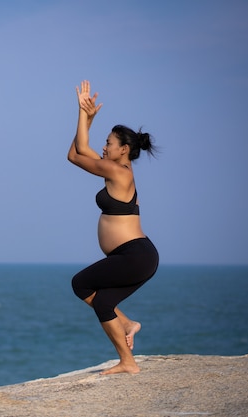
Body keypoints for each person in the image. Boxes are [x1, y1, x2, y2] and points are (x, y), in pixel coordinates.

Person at [67, 80, 159, 375]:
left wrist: (84, 115)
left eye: (108, 143)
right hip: (136, 256)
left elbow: (81, 149)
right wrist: (87, 120)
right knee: (103, 301)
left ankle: (128, 362)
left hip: (134, 256)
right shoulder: (116, 170)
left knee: (81, 284)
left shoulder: (117, 171)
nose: (104, 147)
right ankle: (129, 328)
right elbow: (74, 156)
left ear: (124, 150)